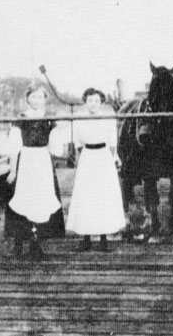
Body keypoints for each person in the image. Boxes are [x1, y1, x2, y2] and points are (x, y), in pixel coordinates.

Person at [5, 84, 65, 260]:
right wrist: (13, 170)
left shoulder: (49, 120)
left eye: (40, 97)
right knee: (23, 199)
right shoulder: (20, 119)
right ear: (27, 99)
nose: (37, 100)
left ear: (45, 100)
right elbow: (14, 147)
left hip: (42, 161)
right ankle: (18, 241)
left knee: (40, 200)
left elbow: (55, 149)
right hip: (26, 161)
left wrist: (57, 131)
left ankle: (35, 243)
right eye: (34, 97)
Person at [66, 88, 127, 251]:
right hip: (87, 157)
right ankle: (85, 238)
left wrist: (111, 156)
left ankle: (103, 239)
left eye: (96, 101)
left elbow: (113, 140)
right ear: (85, 102)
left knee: (103, 196)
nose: (93, 104)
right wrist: (86, 155)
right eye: (90, 100)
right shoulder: (79, 118)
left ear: (101, 102)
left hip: (103, 157)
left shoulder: (108, 118)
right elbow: (77, 142)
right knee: (86, 196)